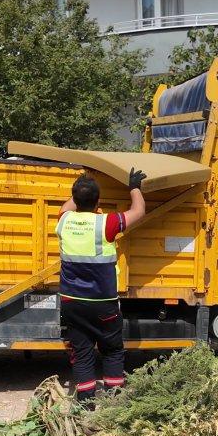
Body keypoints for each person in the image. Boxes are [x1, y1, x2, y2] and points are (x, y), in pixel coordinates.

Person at [57, 168, 146, 404]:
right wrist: (134, 186)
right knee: (112, 351)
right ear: (98, 202)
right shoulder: (106, 223)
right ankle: (114, 403)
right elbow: (139, 211)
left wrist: (84, 182)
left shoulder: (64, 220)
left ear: (75, 200)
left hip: (72, 302)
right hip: (102, 304)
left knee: (82, 353)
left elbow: (68, 206)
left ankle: (86, 405)